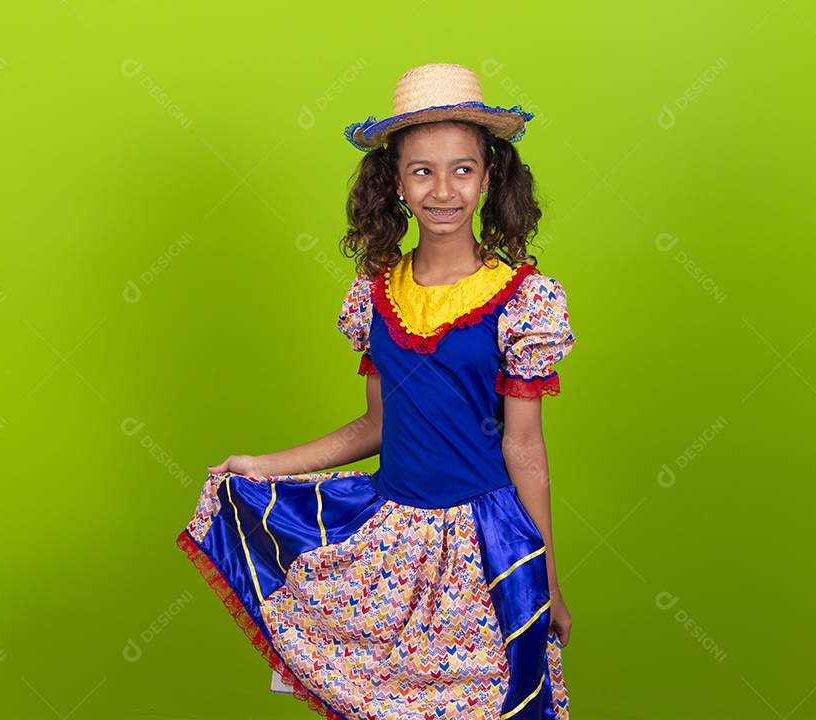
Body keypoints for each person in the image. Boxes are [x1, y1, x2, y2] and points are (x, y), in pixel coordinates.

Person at [178, 62, 574, 720]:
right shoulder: (375, 295)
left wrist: (548, 578)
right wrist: (261, 465)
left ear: (488, 177)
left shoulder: (521, 301)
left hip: (484, 547)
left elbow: (524, 447)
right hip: (391, 544)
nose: (442, 190)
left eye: (462, 169)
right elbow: (375, 427)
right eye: (422, 171)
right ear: (394, 181)